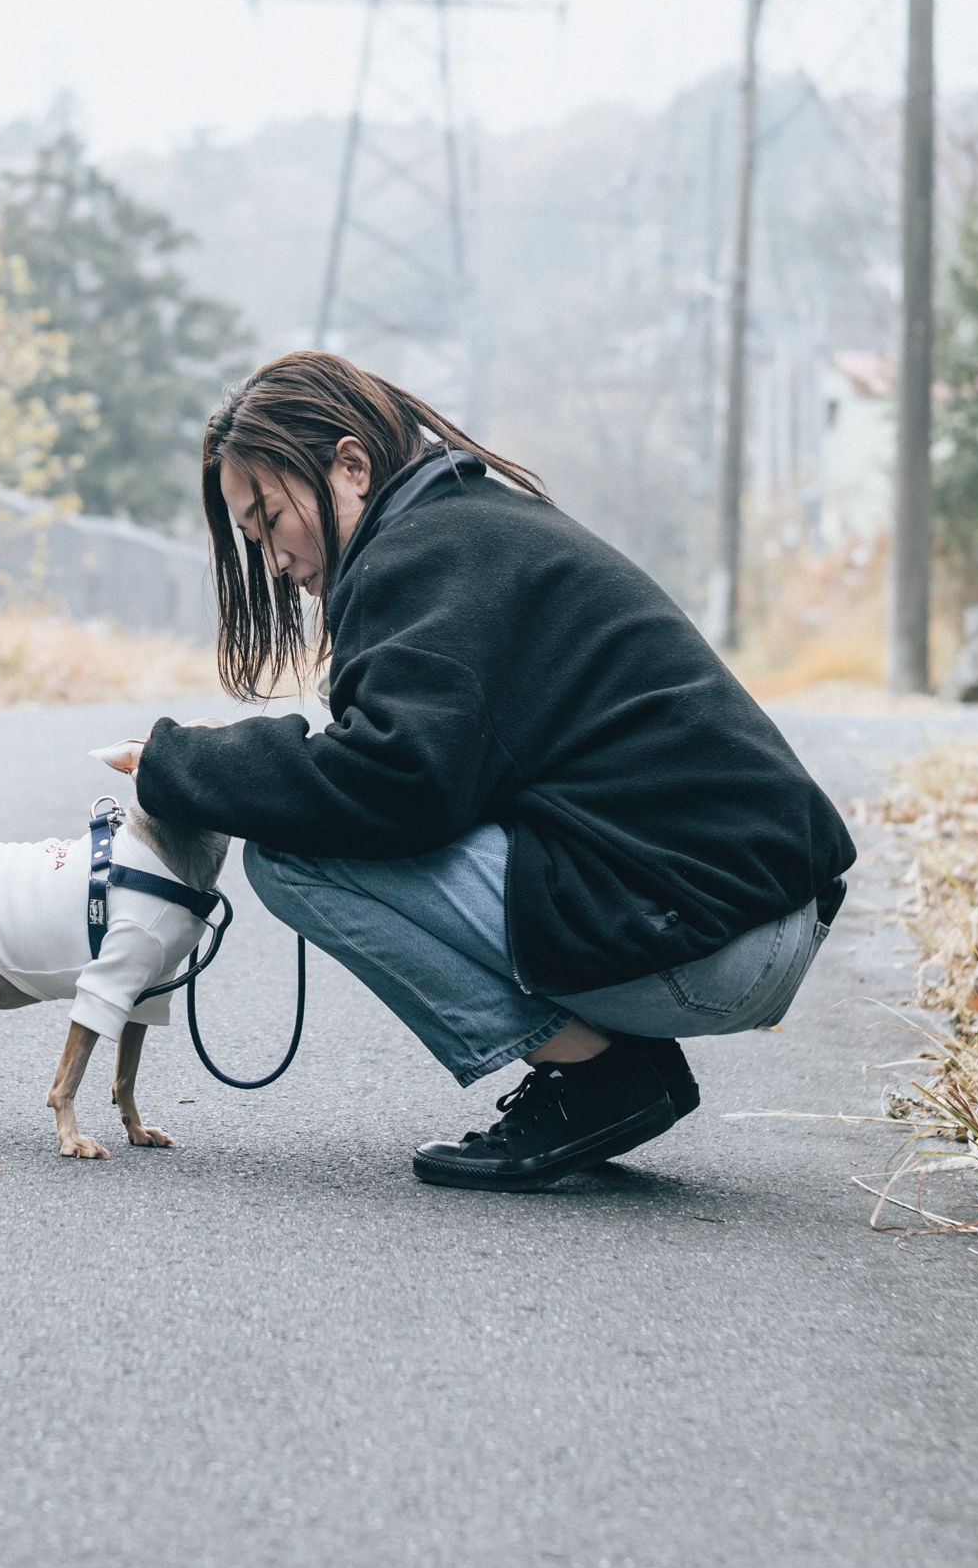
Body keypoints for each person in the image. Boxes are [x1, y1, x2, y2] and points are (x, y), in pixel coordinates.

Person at [123, 352, 854, 1191]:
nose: (275, 562)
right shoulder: (468, 529)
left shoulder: (425, 556)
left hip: (711, 942)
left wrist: (181, 763)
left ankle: (597, 1077)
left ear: (351, 467)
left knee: (293, 855)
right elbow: (426, 767)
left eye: (272, 519)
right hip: (744, 916)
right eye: (254, 540)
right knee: (350, 817)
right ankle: (614, 1067)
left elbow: (392, 785)